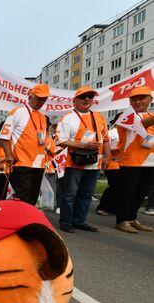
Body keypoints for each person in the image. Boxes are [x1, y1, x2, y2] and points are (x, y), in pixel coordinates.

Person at [55, 86, 110, 233]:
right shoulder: (68, 118)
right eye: (83, 96)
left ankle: (79, 221)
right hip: (75, 163)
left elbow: (105, 139)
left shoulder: (99, 116)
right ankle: (66, 221)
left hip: (94, 163)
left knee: (86, 194)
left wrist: (107, 156)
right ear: (74, 101)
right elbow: (59, 140)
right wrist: (82, 145)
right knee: (69, 194)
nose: (86, 99)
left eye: (90, 96)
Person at [0, 83, 51, 205]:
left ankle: (28, 222)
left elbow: (41, 139)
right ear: (30, 96)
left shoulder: (43, 117)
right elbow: (3, 136)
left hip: (38, 164)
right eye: (38, 98)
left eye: (44, 99)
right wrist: (8, 155)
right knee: (23, 198)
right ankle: (18, 223)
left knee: (33, 198)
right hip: (22, 164)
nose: (41, 101)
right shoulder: (17, 112)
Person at [114, 86, 154, 233]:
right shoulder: (126, 116)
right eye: (134, 99)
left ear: (151, 99)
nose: (138, 101)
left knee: (142, 192)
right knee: (128, 191)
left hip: (149, 160)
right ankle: (122, 220)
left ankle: (132, 218)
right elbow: (139, 126)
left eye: (142, 98)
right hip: (131, 161)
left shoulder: (149, 115)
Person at [97, 114, 121, 216]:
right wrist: (118, 148)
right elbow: (103, 147)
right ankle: (102, 207)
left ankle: (114, 207)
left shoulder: (129, 133)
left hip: (124, 164)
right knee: (114, 185)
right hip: (111, 163)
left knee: (121, 187)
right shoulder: (111, 132)